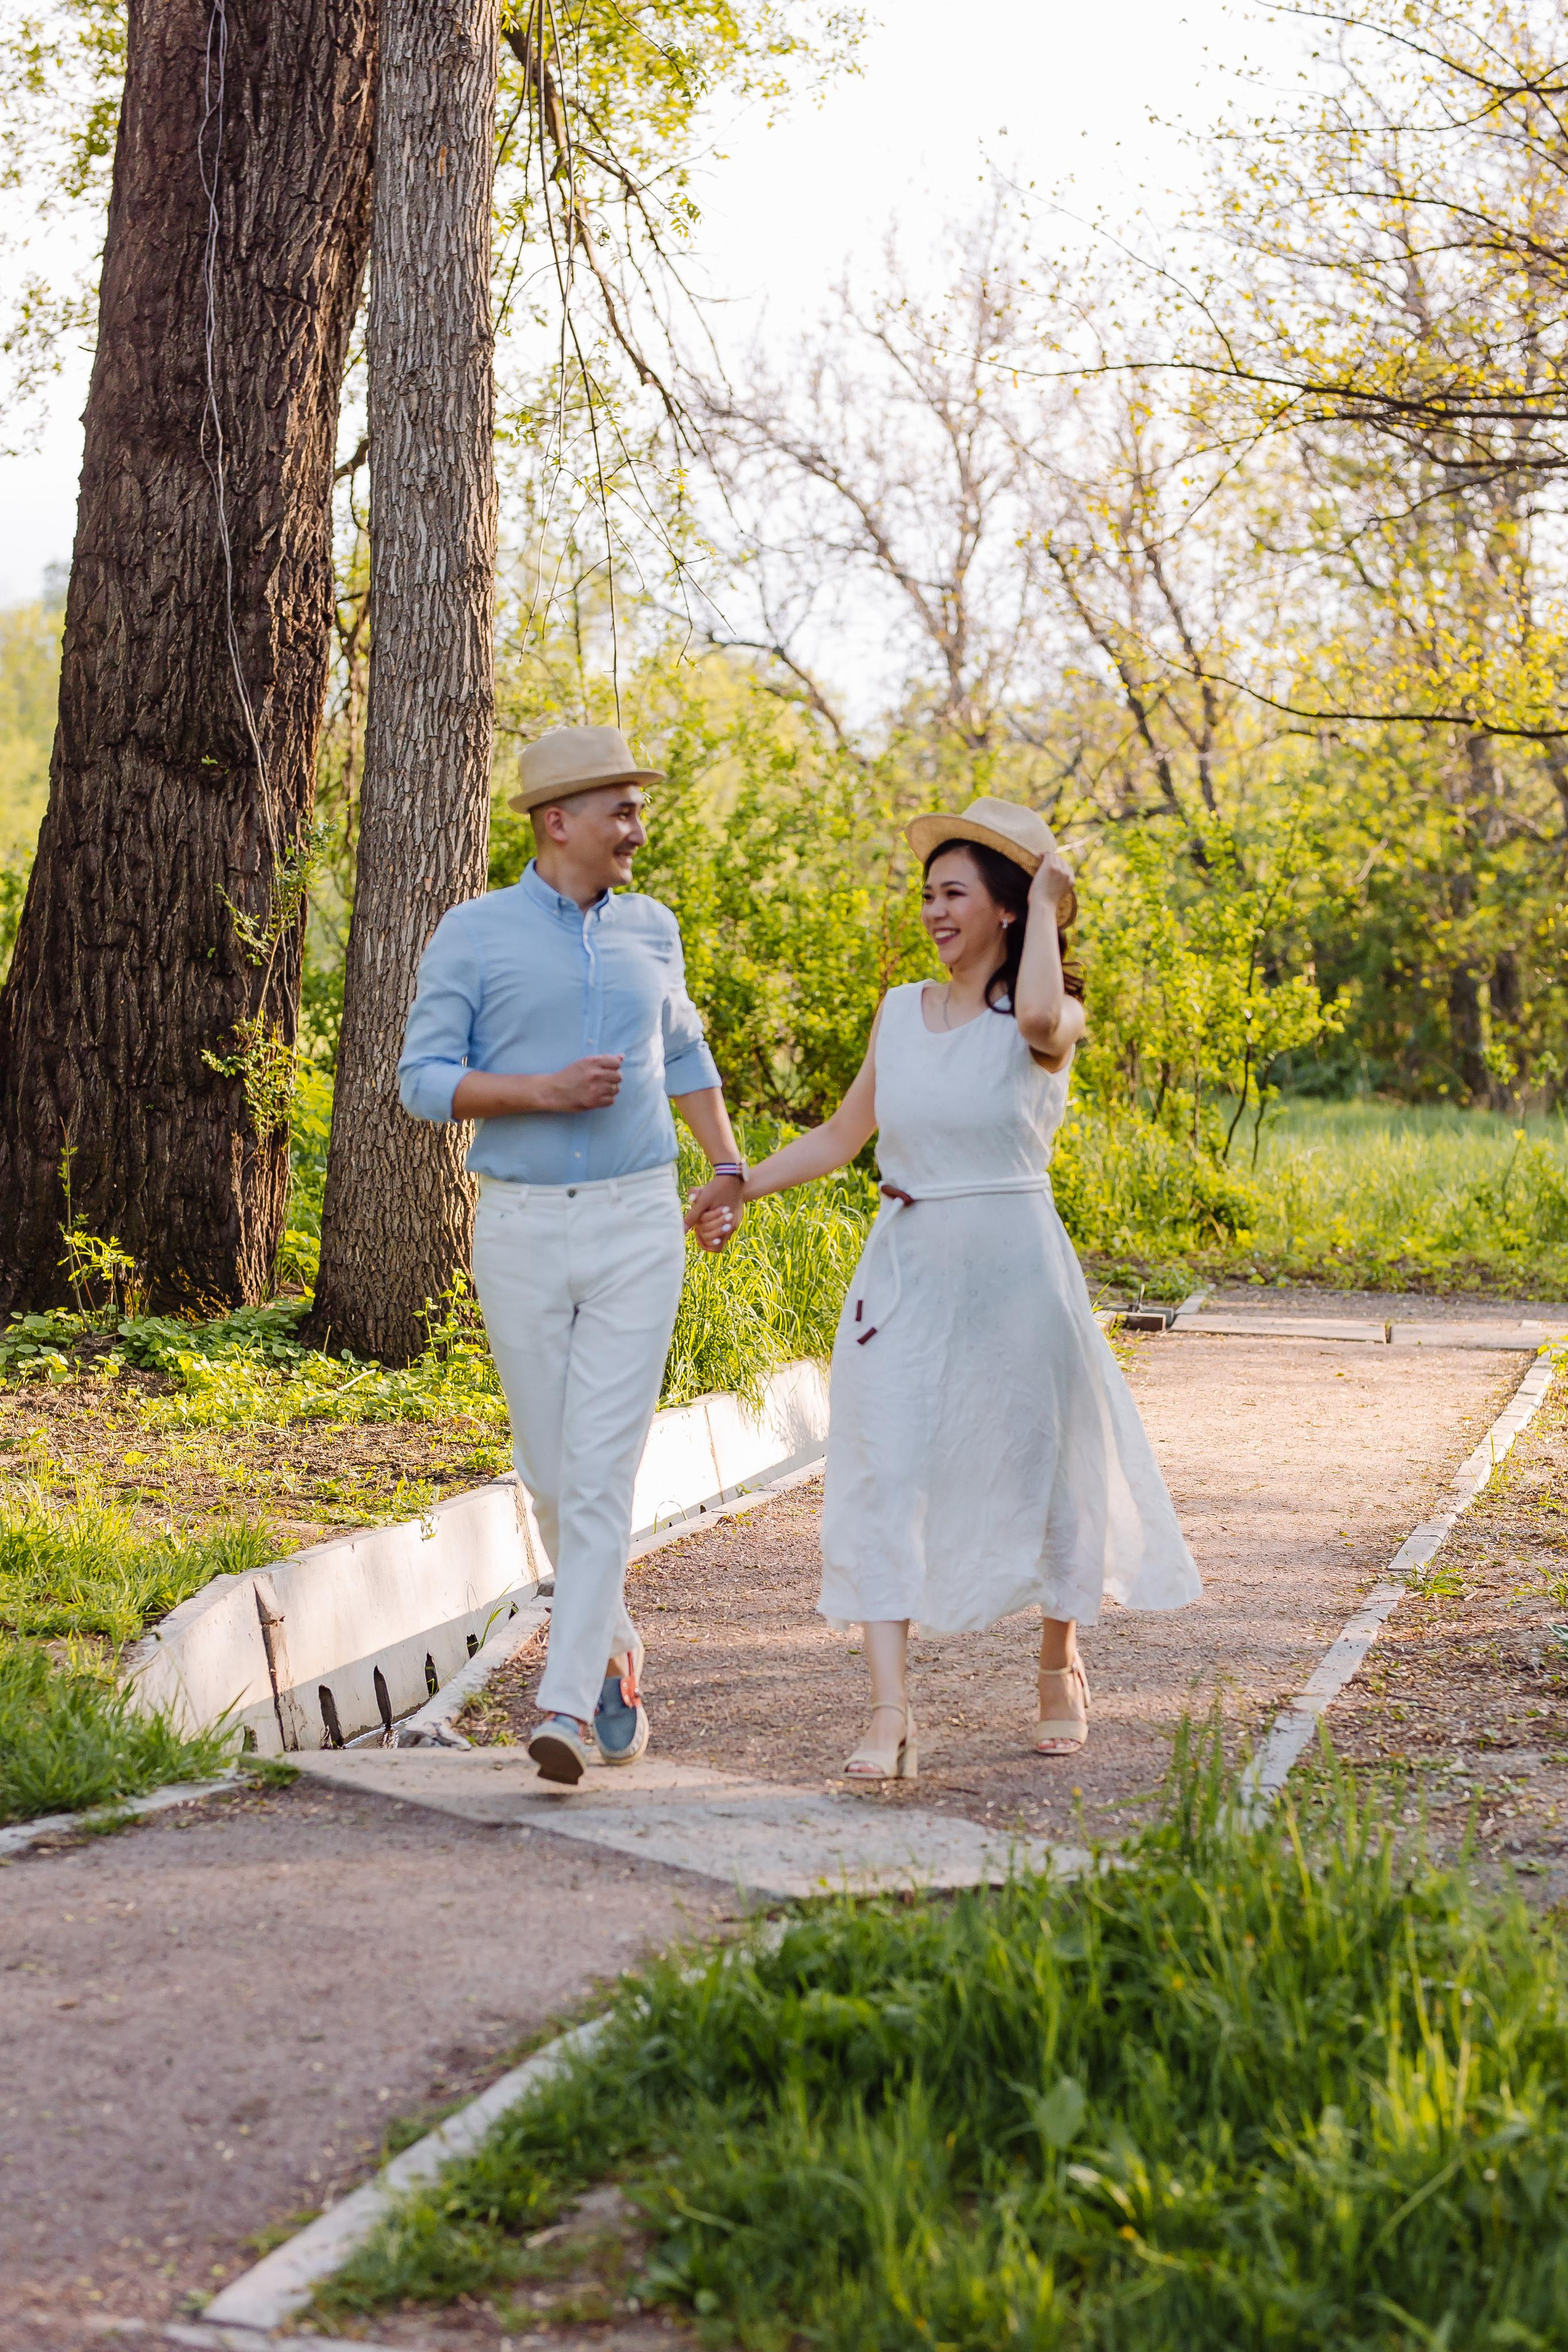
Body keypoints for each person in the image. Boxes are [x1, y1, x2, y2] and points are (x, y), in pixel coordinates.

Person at [690, 796, 1199, 1774]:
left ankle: (1058, 1663)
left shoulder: (1047, 1019)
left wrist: (1049, 901)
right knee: (881, 1471)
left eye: (955, 892)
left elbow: (1043, 1012)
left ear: (1006, 908)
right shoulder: (899, 1014)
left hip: (1016, 1276)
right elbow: (846, 1138)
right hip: (908, 1271)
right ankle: (889, 1712)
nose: (933, 910)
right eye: (927, 893)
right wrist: (737, 1182)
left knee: (1040, 1467)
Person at [399, 725, 747, 1787]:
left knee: (601, 1473)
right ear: (561, 823)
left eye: (637, 809)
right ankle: (615, 1648)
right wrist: (540, 1093)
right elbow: (421, 1080)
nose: (637, 829)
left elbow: (682, 1049)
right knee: (553, 1475)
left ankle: (560, 1698)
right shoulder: (475, 933)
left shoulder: (653, 928)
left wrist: (726, 1167)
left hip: (642, 1220)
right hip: (521, 1225)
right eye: (622, 811)